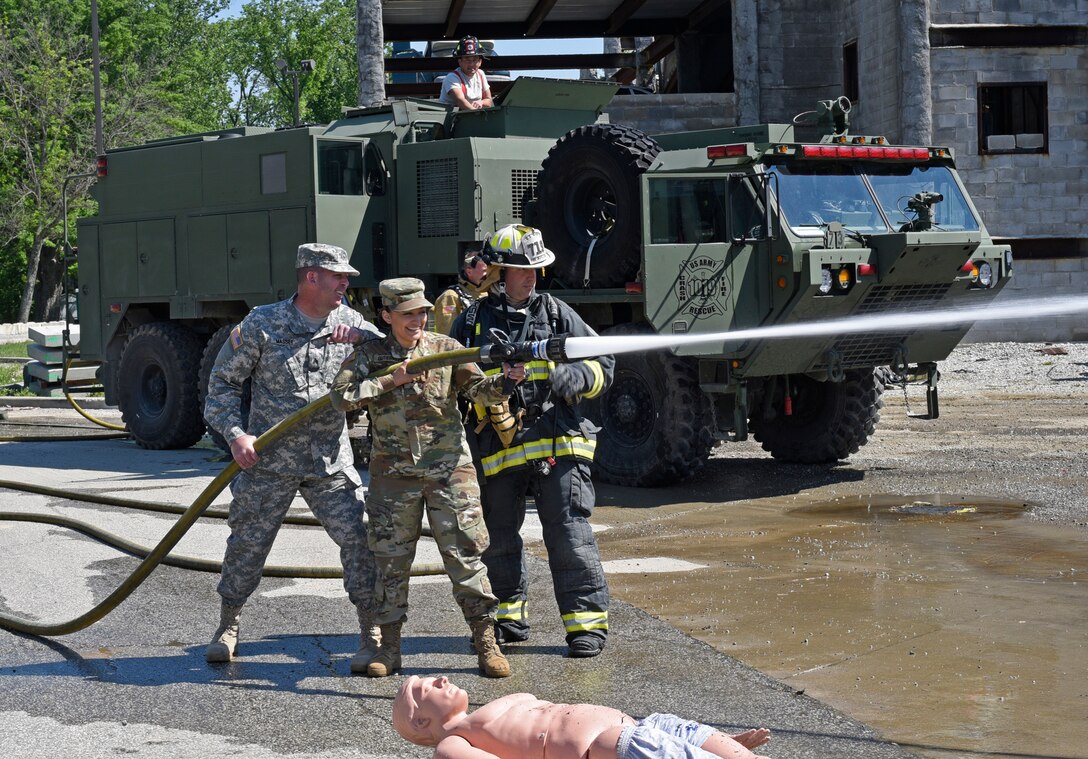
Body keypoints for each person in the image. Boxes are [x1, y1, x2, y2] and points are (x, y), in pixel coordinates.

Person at [330, 277, 525, 678]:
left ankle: (486, 643)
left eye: (422, 311)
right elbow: (341, 398)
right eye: (408, 314)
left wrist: (507, 380)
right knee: (390, 564)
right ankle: (390, 650)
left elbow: (481, 392)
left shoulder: (445, 349)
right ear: (386, 316)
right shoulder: (370, 354)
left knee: (466, 558)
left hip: (449, 472)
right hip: (393, 478)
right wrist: (390, 380)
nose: (418, 319)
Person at [203, 242, 381, 672]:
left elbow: (393, 357)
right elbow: (222, 385)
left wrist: (362, 340)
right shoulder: (264, 324)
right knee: (247, 544)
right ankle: (228, 625)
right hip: (268, 462)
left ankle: (372, 629)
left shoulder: (350, 322)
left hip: (329, 463)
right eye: (337, 276)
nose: (345, 283)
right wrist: (236, 435)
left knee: (360, 540)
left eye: (346, 277)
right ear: (310, 277)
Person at [451, 224, 614, 658]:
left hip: (558, 447)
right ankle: (508, 620)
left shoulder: (558, 315)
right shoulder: (469, 323)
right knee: (498, 539)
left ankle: (586, 626)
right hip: (497, 448)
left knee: (569, 534)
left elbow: (604, 362)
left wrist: (579, 375)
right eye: (522, 270)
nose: (531, 278)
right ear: (499, 272)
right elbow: (452, 378)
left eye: (536, 270)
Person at [392, 675, 773, 759]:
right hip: (607, 745)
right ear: (421, 722)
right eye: (426, 689)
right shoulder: (452, 744)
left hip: (643, 728)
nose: (441, 679)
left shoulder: (493, 710)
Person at [432, 247, 492, 336]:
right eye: (484, 271)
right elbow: (448, 335)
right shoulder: (451, 297)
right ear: (469, 272)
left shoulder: (491, 293)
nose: (488, 275)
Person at [438, 36, 493, 110]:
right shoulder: (452, 77)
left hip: (471, 116)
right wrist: (478, 115)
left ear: (480, 62)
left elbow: (489, 100)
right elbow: (460, 101)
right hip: (450, 118)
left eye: (475, 59)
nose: (471, 64)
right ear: (460, 61)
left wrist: (481, 102)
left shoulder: (481, 74)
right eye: (467, 60)